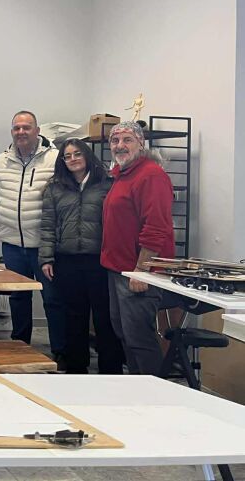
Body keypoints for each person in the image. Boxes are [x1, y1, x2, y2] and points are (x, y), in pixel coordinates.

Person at [0, 110, 65, 361]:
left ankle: (60, 351)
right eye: (17, 128)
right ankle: (20, 347)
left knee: (53, 299)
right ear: (12, 132)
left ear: (37, 131)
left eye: (26, 127)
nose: (21, 132)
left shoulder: (54, 159)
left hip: (44, 246)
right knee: (18, 297)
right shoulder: (2, 161)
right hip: (11, 244)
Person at [39, 138, 124, 374]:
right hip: (67, 260)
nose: (73, 159)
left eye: (77, 154)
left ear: (86, 155)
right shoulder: (55, 188)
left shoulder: (106, 184)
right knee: (73, 317)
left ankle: (110, 371)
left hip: (99, 260)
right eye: (67, 156)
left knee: (104, 317)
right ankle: (77, 369)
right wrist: (46, 258)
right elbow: (47, 225)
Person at [101, 121, 174, 375]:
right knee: (125, 335)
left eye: (127, 140)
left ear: (141, 143)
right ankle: (136, 388)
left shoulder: (151, 176)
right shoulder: (122, 174)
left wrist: (141, 270)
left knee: (139, 339)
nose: (120, 146)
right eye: (115, 141)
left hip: (138, 272)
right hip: (118, 269)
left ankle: (155, 393)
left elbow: (156, 227)